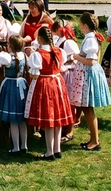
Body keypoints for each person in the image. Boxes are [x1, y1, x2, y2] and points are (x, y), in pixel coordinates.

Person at [24, 26, 74, 161]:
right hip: (58, 83)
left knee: (49, 119)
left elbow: (35, 75)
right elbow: (62, 67)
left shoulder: (37, 55)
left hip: (45, 85)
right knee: (56, 119)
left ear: (39, 39)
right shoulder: (59, 51)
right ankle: (57, 149)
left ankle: (49, 151)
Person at [68, 13, 111, 150]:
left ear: (85, 25)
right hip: (86, 74)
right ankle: (93, 139)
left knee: (88, 108)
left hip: (88, 76)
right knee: (87, 108)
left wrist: (76, 56)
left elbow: (91, 61)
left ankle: (95, 140)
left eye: (80, 24)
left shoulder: (90, 40)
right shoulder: (90, 38)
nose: (79, 27)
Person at [0, 34, 29, 155]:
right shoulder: (24, 56)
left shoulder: (8, 58)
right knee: (22, 119)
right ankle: (24, 145)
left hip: (11, 86)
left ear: (11, 46)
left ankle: (16, 147)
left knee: (13, 119)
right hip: (22, 86)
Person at [51, 19, 80, 143]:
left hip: (69, 75)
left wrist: (66, 67)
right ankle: (63, 127)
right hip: (61, 74)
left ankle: (69, 131)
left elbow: (76, 60)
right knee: (62, 103)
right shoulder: (59, 41)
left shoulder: (68, 43)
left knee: (69, 103)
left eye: (55, 29)